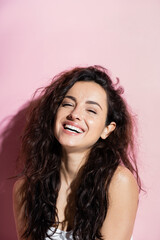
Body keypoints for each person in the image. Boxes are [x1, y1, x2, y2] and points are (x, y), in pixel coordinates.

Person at [13, 65, 141, 240]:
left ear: (107, 129)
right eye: (67, 104)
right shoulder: (25, 189)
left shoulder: (117, 183)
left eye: (91, 110)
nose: (75, 114)